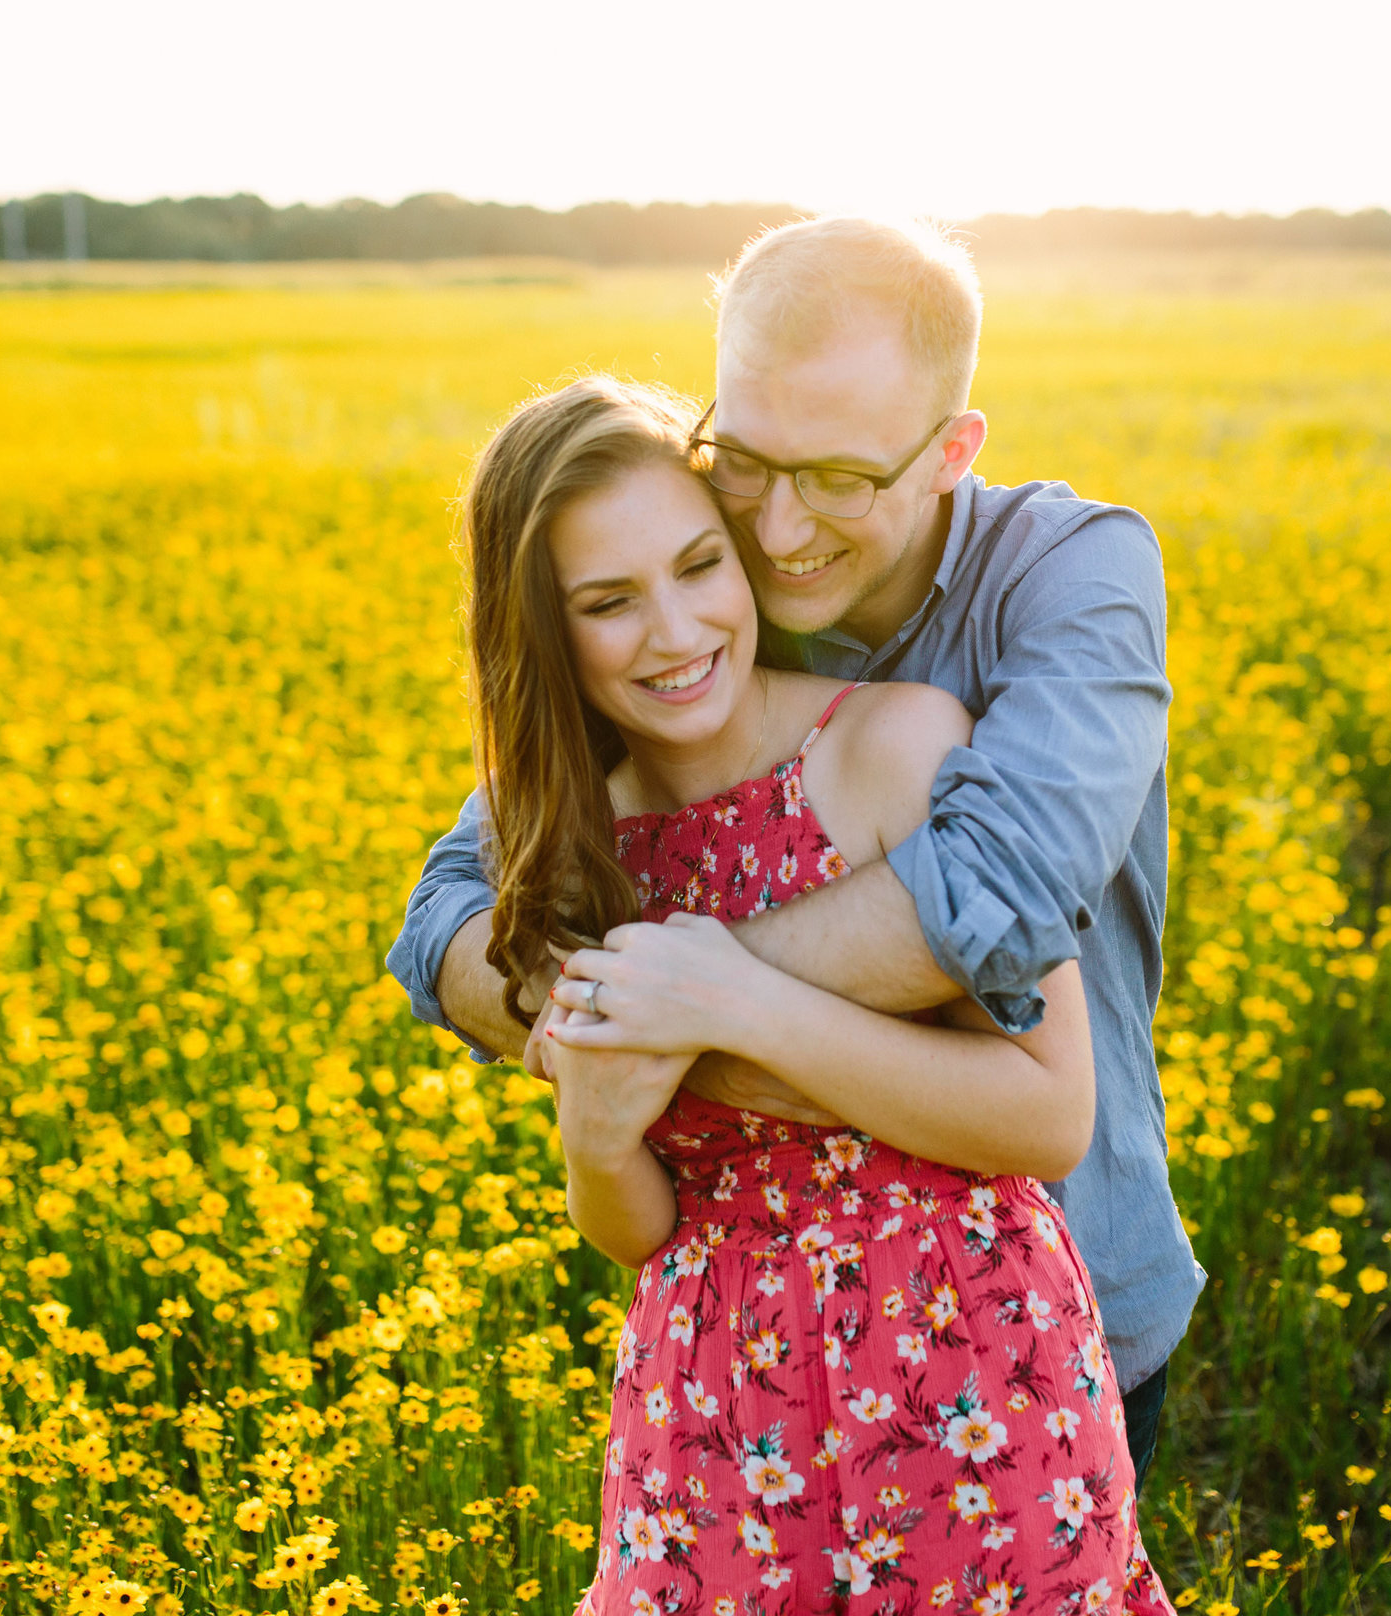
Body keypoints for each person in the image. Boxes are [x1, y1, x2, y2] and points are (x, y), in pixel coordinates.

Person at [389, 216, 1205, 1501]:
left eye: (836, 479)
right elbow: (444, 918)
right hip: (751, 1374)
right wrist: (616, 1035)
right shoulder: (697, 597)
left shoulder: (1068, 569)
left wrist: (678, 1016)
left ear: (950, 452)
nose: (776, 527)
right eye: (744, 459)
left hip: (1067, 1308)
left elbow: (999, 888)